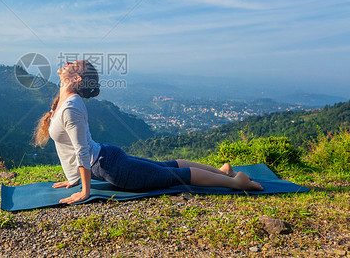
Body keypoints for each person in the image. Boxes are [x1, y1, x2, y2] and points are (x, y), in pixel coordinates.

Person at [34, 60, 263, 205]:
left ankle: (236, 182)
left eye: (73, 63)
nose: (66, 62)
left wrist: (84, 191)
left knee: (175, 175)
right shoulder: (64, 101)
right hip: (106, 158)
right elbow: (70, 148)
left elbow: (81, 150)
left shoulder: (72, 105)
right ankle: (224, 171)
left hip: (110, 166)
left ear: (77, 79)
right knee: (168, 166)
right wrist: (73, 179)